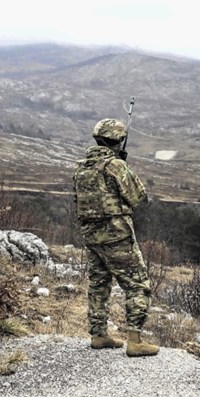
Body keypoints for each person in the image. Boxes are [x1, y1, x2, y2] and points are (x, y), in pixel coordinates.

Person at [72, 118, 159, 357]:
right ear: (118, 141)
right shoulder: (114, 165)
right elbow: (139, 197)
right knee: (138, 284)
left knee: (99, 283)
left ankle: (98, 335)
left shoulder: (81, 166)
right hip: (117, 235)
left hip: (91, 235)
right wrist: (123, 166)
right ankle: (135, 341)